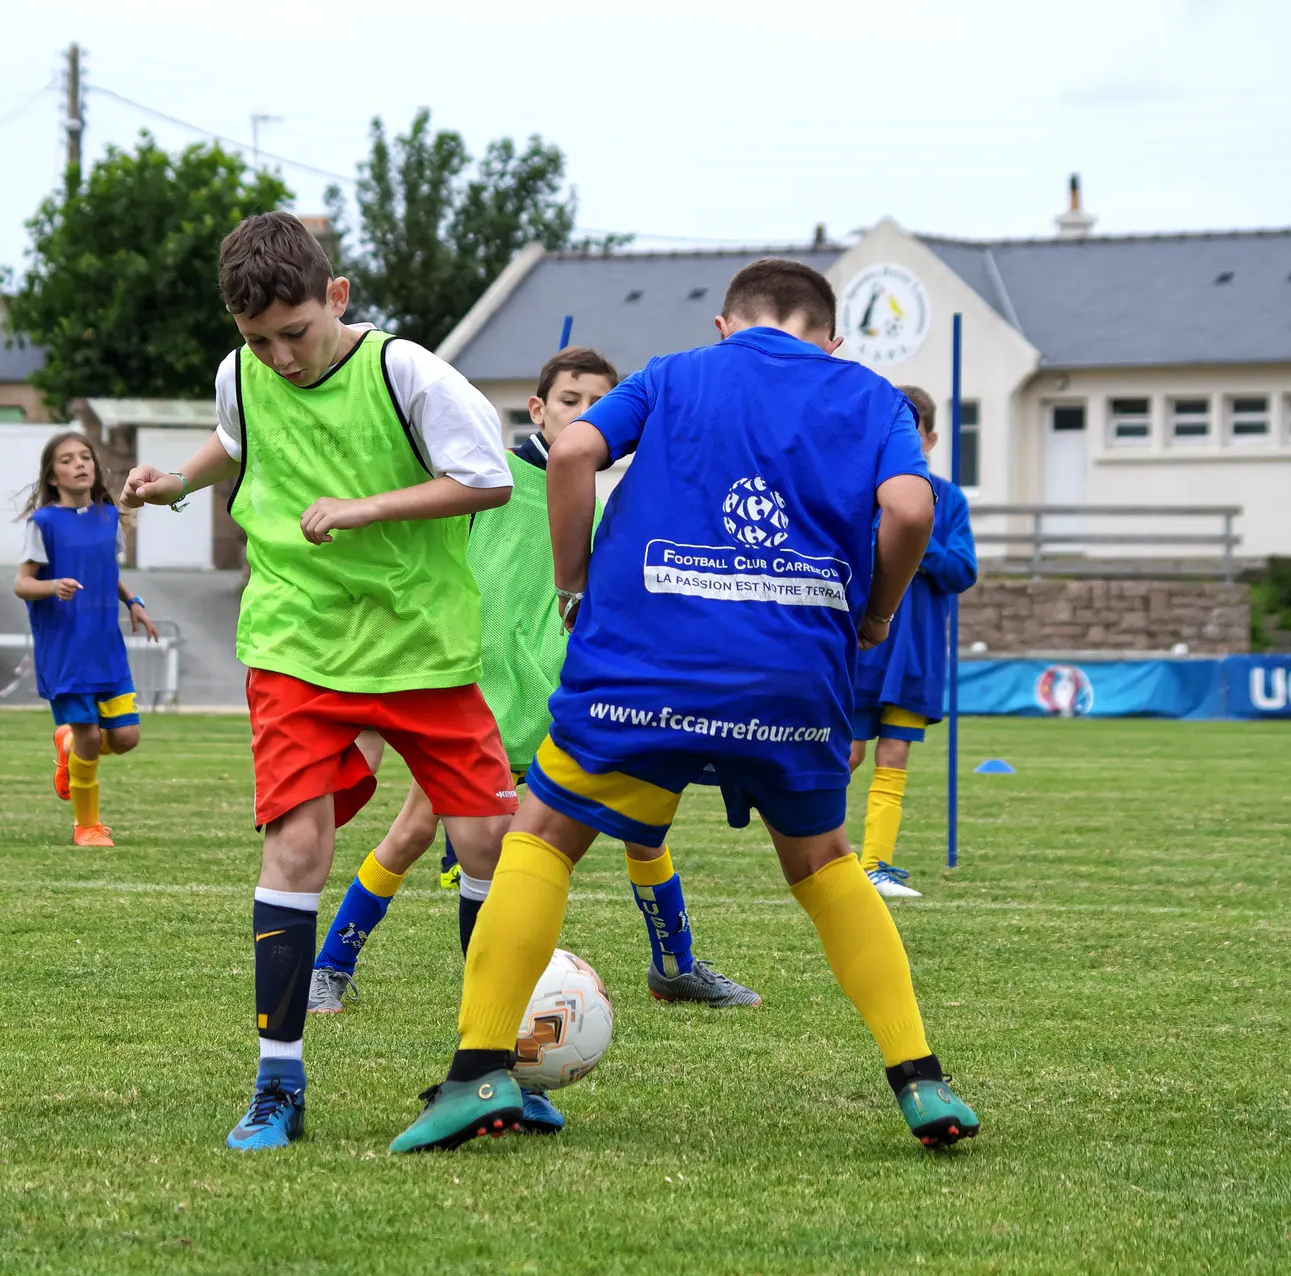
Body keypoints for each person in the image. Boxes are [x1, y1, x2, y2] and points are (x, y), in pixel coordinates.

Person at [391, 257, 980, 1154]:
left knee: (541, 838)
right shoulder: (870, 396)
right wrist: (877, 614)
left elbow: (574, 453)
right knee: (826, 864)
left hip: (646, 661)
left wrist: (572, 580)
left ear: (724, 325)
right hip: (794, 674)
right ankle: (921, 1078)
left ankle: (477, 1070)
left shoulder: (674, 374)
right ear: (831, 340)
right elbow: (908, 509)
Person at [121, 211, 517, 1152]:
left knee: (488, 843)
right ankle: (277, 1086)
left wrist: (366, 508)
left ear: (336, 297)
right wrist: (177, 482)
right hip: (296, 644)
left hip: (421, 648)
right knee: (296, 849)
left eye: (295, 333)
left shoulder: (407, 373)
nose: (281, 358)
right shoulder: (241, 374)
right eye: (258, 339)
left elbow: (488, 479)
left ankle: (489, 1067)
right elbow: (236, 439)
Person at [308, 349, 760, 1045]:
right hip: (482, 700)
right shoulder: (491, 482)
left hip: (570, 700)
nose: (585, 414)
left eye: (600, 403)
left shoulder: (608, 506)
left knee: (645, 826)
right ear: (538, 409)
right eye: (571, 400)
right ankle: (331, 966)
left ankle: (675, 965)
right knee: (414, 831)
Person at [849, 386, 978, 899]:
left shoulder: (949, 500)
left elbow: (962, 570)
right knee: (847, 754)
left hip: (915, 653)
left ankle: (875, 865)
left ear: (930, 440)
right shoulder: (857, 490)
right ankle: (827, 858)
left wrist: (917, 541)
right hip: (861, 649)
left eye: (912, 432)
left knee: (895, 752)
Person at [14, 432, 159, 848]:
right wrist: (51, 585)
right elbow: (22, 584)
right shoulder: (43, 524)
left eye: (85, 457)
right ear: (52, 476)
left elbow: (105, 571)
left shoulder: (109, 518)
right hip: (65, 651)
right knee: (91, 738)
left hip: (105, 648)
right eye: (67, 460)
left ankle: (68, 743)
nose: (79, 464)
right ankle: (87, 826)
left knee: (126, 738)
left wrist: (133, 601)